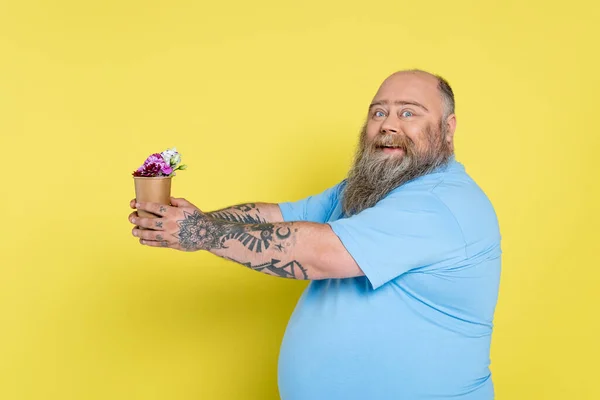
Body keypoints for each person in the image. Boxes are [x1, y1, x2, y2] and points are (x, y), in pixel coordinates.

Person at [128, 69, 502, 400]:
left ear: (448, 129)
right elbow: (280, 216)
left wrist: (201, 233)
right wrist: (189, 220)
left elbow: (319, 253)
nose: (388, 124)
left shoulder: (439, 204)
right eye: (379, 112)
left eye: (408, 112)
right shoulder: (369, 188)